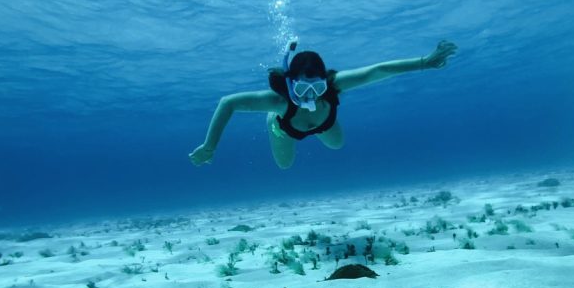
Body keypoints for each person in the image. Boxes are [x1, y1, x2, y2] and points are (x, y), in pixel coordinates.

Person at [189, 38, 458, 170]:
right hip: (286, 127)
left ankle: (313, 125)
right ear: (291, 81)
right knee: (285, 166)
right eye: (302, 87)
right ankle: (271, 121)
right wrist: (209, 145)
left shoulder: (335, 84)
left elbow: (378, 71)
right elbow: (228, 103)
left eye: (317, 87)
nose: (309, 95)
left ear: (325, 82)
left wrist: (425, 62)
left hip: (324, 123)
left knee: (337, 144)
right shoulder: (279, 100)